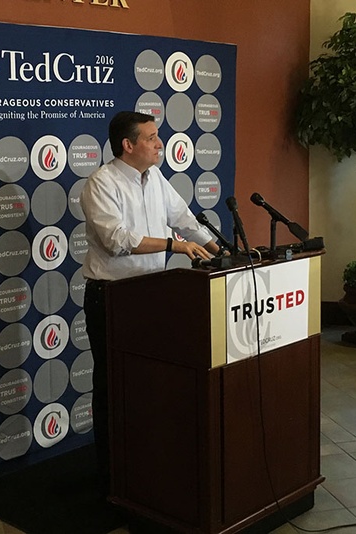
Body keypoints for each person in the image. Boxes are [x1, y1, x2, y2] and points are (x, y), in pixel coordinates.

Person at [79, 111, 220, 496]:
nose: (160, 144)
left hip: (153, 293)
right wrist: (174, 245)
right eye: (152, 137)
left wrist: (222, 252)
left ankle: (143, 464)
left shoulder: (154, 177)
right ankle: (110, 475)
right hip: (112, 297)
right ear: (129, 144)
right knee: (112, 385)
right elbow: (116, 239)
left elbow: (185, 219)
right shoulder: (101, 183)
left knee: (149, 382)